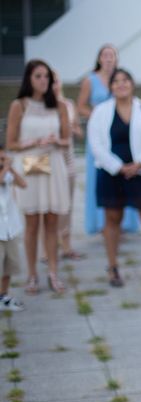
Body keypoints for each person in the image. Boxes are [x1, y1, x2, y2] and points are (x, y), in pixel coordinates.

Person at [87, 69, 141, 287]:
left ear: (132, 84)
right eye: (116, 81)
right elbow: (96, 144)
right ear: (111, 87)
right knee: (112, 220)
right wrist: (118, 167)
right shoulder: (101, 112)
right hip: (112, 172)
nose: (121, 84)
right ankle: (113, 267)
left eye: (125, 80)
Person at [6, 59, 71, 295]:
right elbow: (10, 142)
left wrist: (55, 140)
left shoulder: (60, 106)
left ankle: (53, 271)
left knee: (52, 222)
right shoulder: (19, 106)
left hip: (52, 164)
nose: (44, 81)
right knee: (32, 223)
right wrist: (32, 142)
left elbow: (67, 140)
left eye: (47, 76)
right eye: (38, 76)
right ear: (29, 79)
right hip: (30, 164)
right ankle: (32, 274)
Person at [77, 44, 139, 235]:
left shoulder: (121, 79)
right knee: (100, 176)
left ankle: (124, 222)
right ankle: (103, 223)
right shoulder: (90, 80)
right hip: (100, 135)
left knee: (124, 171)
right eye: (105, 55)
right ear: (99, 58)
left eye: (112, 55)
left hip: (119, 134)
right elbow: (81, 106)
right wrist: (97, 116)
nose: (108, 58)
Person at [52, 71, 85, 260]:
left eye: (56, 81)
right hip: (49, 159)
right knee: (48, 205)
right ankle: (47, 248)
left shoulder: (69, 105)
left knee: (68, 204)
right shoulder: (41, 106)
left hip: (68, 158)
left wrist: (71, 129)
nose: (54, 85)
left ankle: (66, 245)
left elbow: (79, 131)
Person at [0, 145, 27, 311]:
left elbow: (23, 184)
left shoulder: (7, 172)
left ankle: (3, 295)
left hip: (10, 227)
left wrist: (11, 169)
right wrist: (7, 167)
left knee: (9, 265)